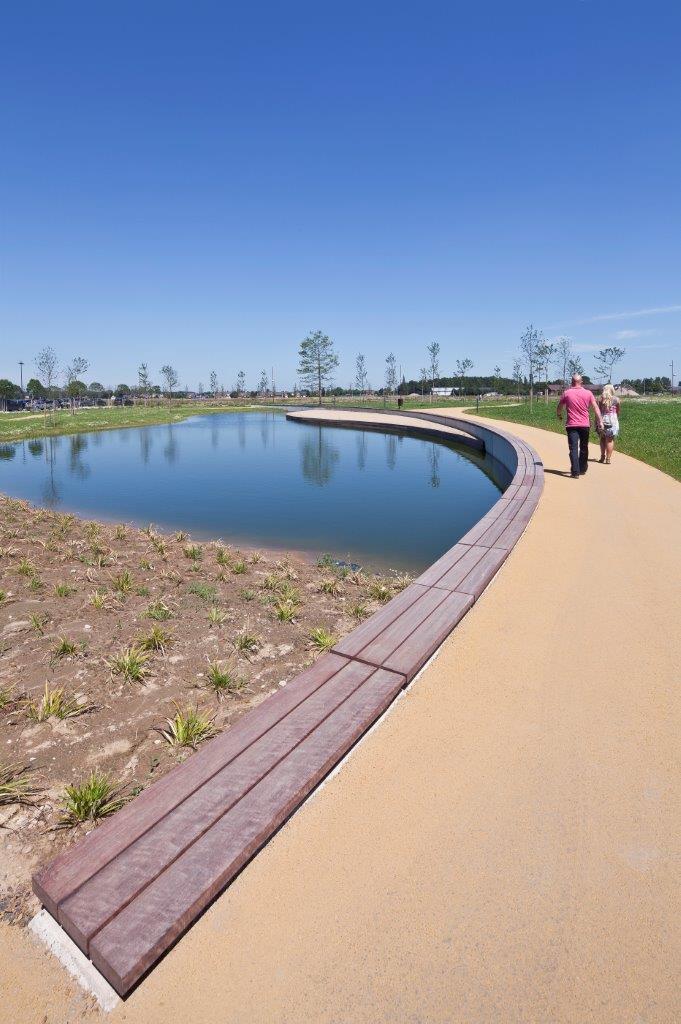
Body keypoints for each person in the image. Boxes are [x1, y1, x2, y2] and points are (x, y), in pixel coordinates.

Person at [557, 374, 604, 478]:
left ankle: (575, 472)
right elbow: (596, 407)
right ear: (581, 382)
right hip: (584, 425)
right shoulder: (588, 393)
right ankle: (582, 468)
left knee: (573, 448)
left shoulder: (566, 393)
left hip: (571, 425)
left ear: (572, 382)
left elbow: (560, 406)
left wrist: (559, 415)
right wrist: (600, 421)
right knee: (584, 447)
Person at [597, 383, 620, 464]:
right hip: (612, 420)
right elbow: (618, 411)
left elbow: (598, 411)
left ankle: (602, 456)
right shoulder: (616, 399)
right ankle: (608, 459)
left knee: (602, 439)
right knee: (610, 440)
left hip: (602, 420)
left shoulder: (600, 399)